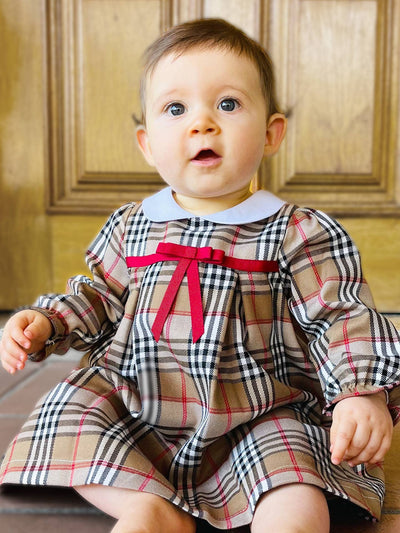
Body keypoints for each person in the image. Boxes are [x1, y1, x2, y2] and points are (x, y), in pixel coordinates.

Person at [1, 18, 400, 533]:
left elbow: (342, 315)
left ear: (271, 133)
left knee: (295, 485)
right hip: (141, 408)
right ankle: (148, 507)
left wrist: (360, 390)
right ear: (147, 144)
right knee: (68, 411)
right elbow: (100, 298)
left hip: (258, 412)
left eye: (228, 105)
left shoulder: (295, 231)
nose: (202, 124)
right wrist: (46, 322)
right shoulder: (133, 226)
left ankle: (284, 518)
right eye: (176, 109)